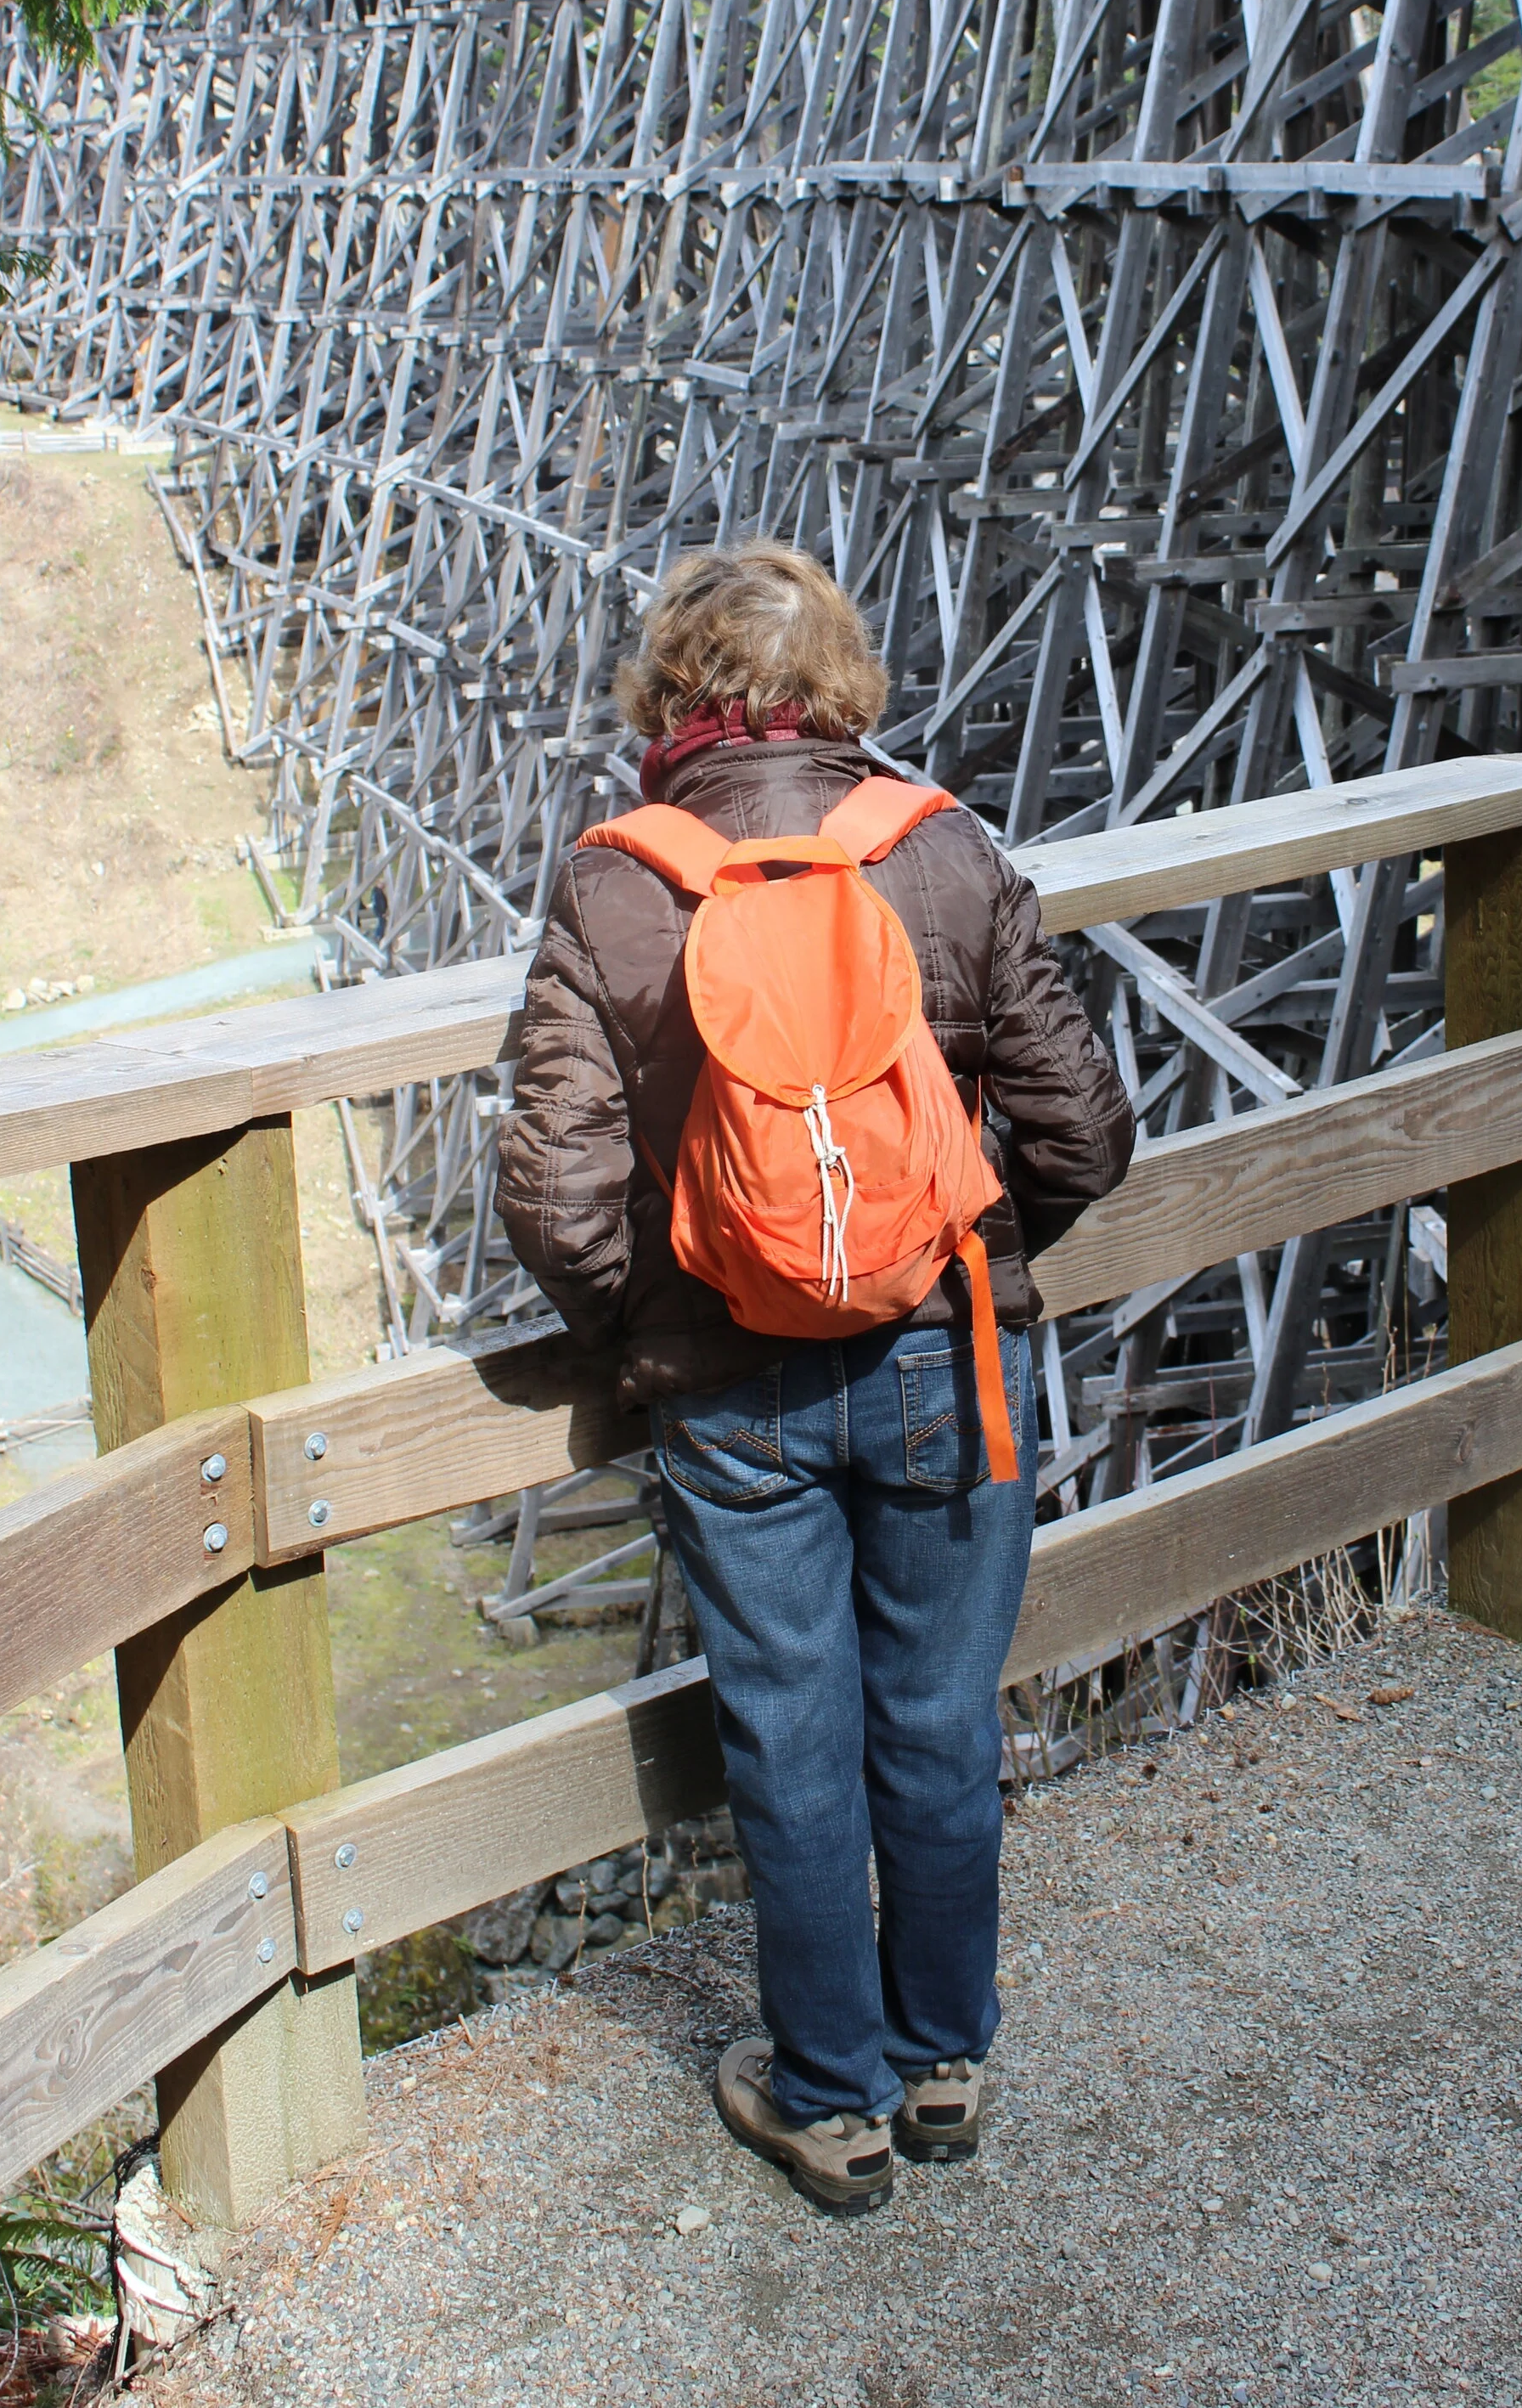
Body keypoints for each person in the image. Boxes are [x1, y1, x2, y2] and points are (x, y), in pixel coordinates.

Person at [496, 540, 1135, 2211]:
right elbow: (1081, 1130)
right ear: (841, 688)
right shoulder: (940, 852)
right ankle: (944, 2061)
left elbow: (554, 1195)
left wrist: (659, 1328)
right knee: (933, 1717)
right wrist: (975, 1250)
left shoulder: (615, 882)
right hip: (943, 1356)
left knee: (790, 1736)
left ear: (671, 701)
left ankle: (829, 2099)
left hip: (726, 1393)